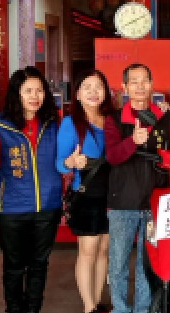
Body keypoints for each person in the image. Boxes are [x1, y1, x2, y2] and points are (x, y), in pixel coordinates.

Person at [0, 66, 63, 313]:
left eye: (39, 90)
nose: (35, 96)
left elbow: (64, 159)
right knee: (14, 266)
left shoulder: (53, 123)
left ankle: (32, 310)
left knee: (39, 264)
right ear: (16, 93)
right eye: (28, 90)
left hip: (47, 206)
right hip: (10, 209)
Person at [104, 63, 170, 313]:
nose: (139, 86)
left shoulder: (164, 117)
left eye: (144, 80)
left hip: (155, 203)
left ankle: (143, 308)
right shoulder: (114, 119)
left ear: (152, 85)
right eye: (133, 81)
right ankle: (120, 308)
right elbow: (112, 156)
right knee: (118, 263)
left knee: (147, 264)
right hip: (122, 202)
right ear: (124, 87)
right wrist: (132, 141)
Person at [56, 70, 114, 313]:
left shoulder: (112, 121)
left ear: (106, 92)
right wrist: (71, 162)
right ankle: (88, 307)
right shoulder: (70, 124)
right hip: (86, 195)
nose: (93, 92)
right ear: (77, 94)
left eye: (98, 86)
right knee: (88, 252)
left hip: (112, 196)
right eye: (86, 87)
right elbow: (59, 163)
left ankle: (97, 302)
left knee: (103, 252)